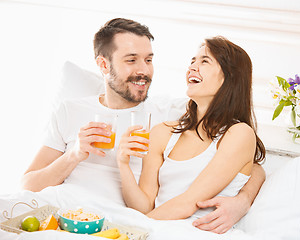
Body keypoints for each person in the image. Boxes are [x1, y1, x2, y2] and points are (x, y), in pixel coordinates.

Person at [21, 18, 265, 233]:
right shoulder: (69, 110)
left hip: (119, 220)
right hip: (62, 210)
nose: (143, 70)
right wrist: (73, 155)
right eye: (131, 60)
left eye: (148, 60)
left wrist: (243, 201)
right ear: (104, 65)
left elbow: (251, 163)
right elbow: (28, 186)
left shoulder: (170, 114)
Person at [117, 36, 266, 234]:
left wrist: (128, 231)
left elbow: (189, 203)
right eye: (192, 61)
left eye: (204, 61)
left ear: (229, 77)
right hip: (155, 228)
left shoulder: (238, 134)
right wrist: (123, 164)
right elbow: (144, 207)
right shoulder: (162, 132)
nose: (192, 68)